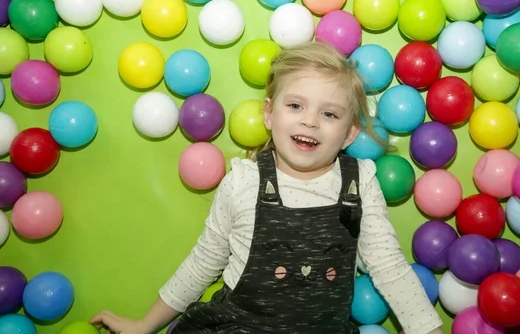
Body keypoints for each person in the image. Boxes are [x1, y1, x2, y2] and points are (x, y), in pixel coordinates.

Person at [90, 42, 444, 334]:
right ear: (269, 114)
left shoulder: (359, 182)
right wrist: (144, 325)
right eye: (295, 105)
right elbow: (205, 261)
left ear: (350, 133)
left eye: (330, 114)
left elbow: (389, 268)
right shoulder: (245, 180)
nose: (309, 120)